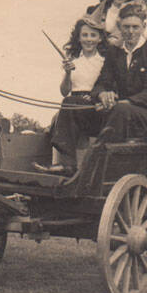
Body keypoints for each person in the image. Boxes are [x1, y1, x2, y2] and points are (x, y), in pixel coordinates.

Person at [38, 12, 107, 174]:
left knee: (68, 104)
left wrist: (92, 98)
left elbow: (106, 86)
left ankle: (68, 164)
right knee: (60, 113)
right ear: (79, 38)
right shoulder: (74, 60)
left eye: (93, 35)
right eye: (84, 35)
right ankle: (59, 164)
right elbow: (64, 91)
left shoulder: (104, 62)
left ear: (100, 39)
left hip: (94, 108)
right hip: (73, 105)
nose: (88, 39)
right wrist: (68, 73)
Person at [91, 3, 147, 143]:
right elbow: (101, 84)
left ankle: (94, 160)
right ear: (119, 26)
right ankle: (66, 163)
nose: (131, 31)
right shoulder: (114, 53)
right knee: (71, 103)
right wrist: (102, 94)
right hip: (120, 112)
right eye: (126, 27)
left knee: (120, 110)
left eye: (135, 27)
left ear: (144, 27)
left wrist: (121, 103)